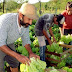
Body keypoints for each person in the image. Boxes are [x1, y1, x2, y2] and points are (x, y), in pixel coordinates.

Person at [0, 3, 40, 72]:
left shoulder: (25, 24)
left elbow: (26, 40)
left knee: (15, 62)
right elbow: (1, 43)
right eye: (29, 19)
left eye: (32, 20)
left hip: (9, 42)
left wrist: (31, 53)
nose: (30, 23)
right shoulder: (6, 21)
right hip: (1, 43)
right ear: (21, 15)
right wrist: (18, 56)